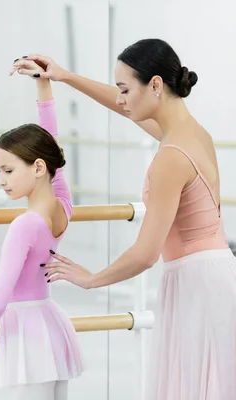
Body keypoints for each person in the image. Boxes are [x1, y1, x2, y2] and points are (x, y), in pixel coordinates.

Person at [38, 38, 236, 399]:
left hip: (199, 284)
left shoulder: (171, 156)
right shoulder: (193, 134)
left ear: (156, 85)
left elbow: (146, 253)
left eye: (126, 89)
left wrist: (91, 279)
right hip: (211, 275)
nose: (122, 99)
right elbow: (122, 108)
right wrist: (65, 77)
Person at [0, 59, 84, 400]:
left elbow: (1, 291)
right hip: (49, 322)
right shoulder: (62, 205)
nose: (0, 179)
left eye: (6, 170)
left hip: (25, 333)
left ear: (36, 167)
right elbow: (51, 141)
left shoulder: (25, 224)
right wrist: (42, 84)